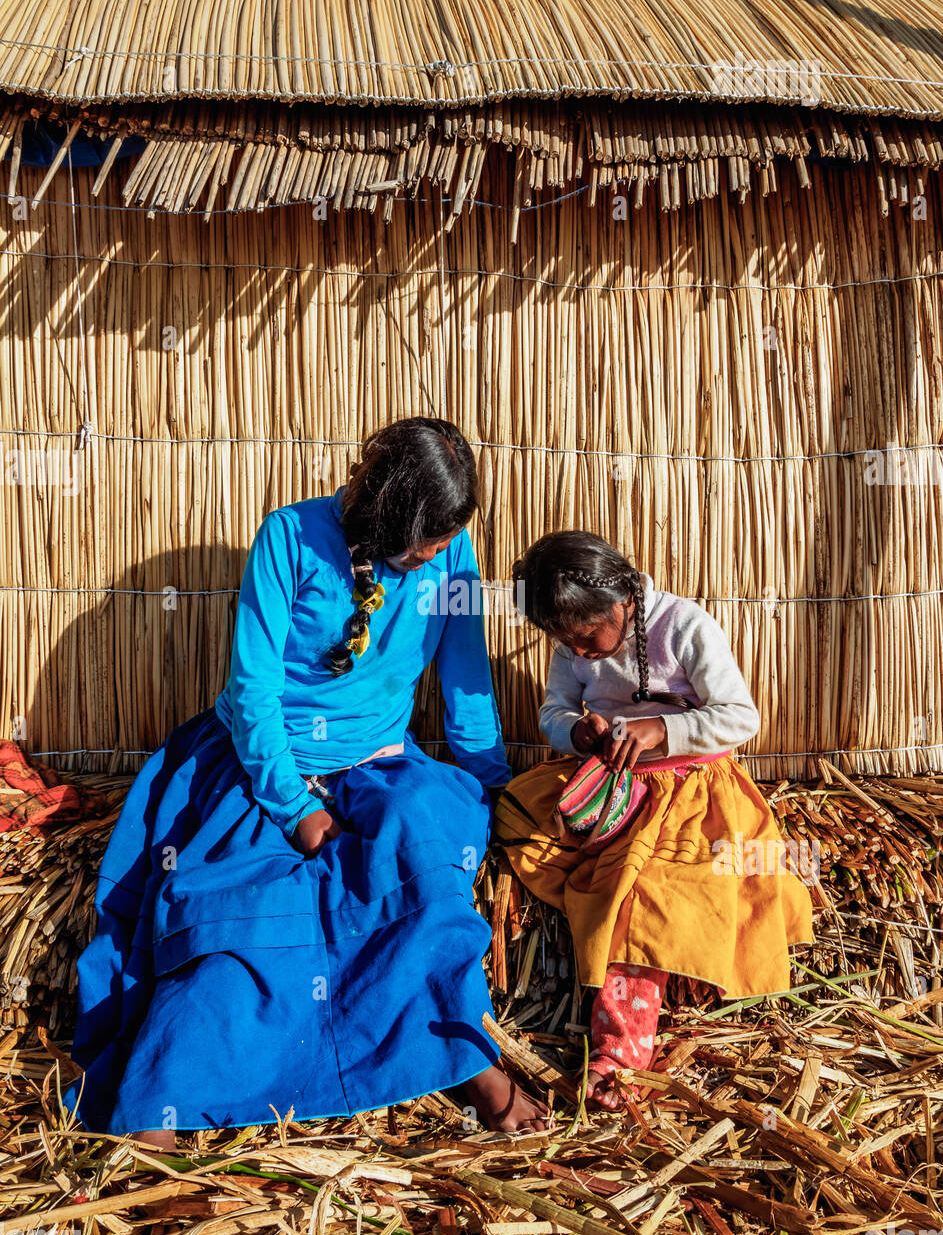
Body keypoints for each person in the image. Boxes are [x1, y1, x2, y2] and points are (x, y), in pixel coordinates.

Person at [63, 417, 551, 1144]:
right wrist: (293, 807)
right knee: (237, 911)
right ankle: (166, 1089)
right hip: (263, 762)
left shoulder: (450, 557)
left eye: (449, 538)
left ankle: (467, 1059)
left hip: (381, 763)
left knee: (425, 874)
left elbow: (465, 681)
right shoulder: (288, 539)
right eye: (431, 541)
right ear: (388, 520)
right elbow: (253, 693)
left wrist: (490, 788)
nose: (443, 552)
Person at [493, 531, 815, 1111]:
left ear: (622, 600)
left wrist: (664, 731)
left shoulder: (685, 626)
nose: (582, 652)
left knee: (643, 898)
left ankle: (619, 1057)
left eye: (589, 637)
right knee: (516, 814)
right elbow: (554, 709)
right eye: (568, 642)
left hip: (690, 790)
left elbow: (741, 716)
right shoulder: (572, 640)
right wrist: (575, 728)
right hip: (608, 783)